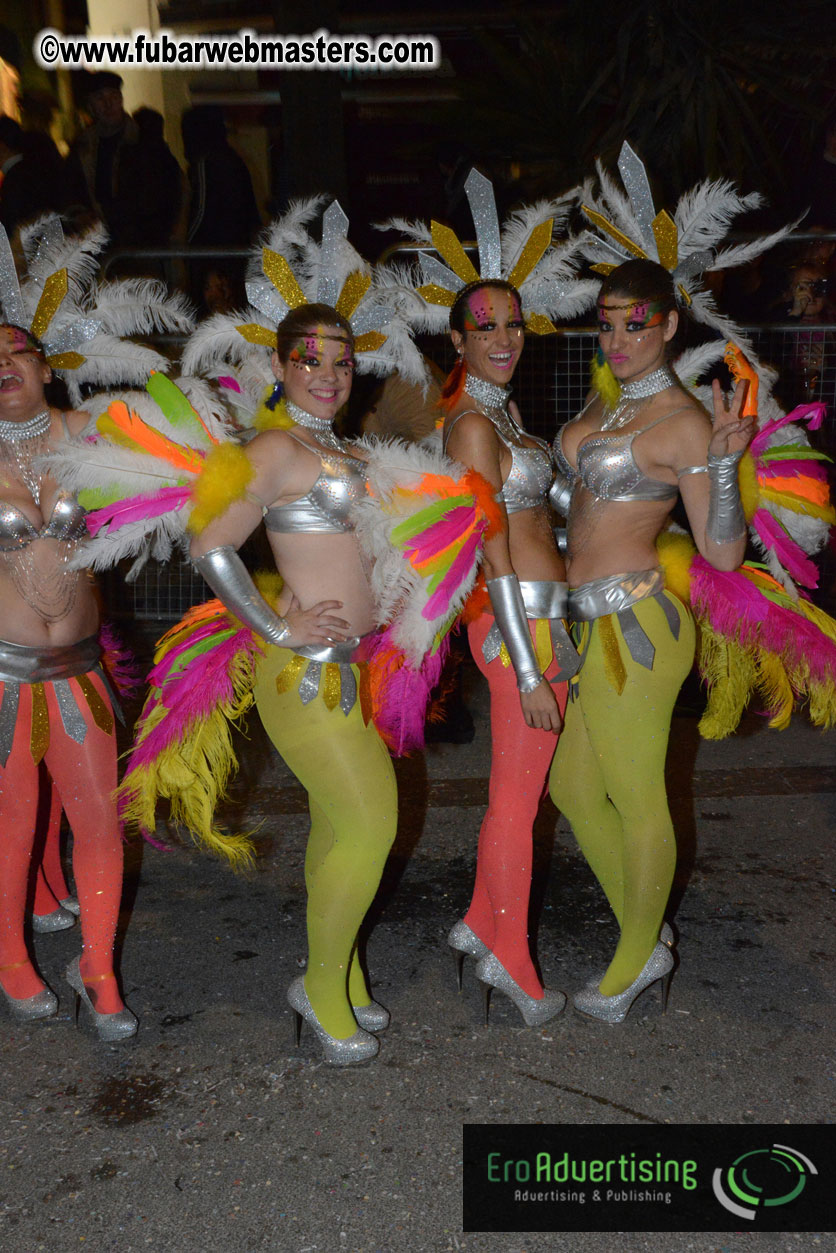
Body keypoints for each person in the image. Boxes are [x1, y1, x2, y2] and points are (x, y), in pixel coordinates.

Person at [188, 304, 399, 1065]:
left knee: (338, 828)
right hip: (306, 673)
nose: (328, 375)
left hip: (359, 669)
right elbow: (209, 544)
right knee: (372, 825)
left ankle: (341, 976)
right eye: (310, 360)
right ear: (279, 367)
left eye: (342, 361)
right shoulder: (276, 448)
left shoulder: (349, 450)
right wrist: (278, 628)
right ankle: (318, 988)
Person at [548, 258, 752, 1022]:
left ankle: (633, 960)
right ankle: (648, 929)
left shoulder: (683, 421)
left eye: (636, 325)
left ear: (668, 325)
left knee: (637, 797)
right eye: (606, 324)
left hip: (636, 627)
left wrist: (723, 466)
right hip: (583, 621)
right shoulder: (607, 402)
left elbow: (722, 553)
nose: (618, 339)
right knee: (572, 788)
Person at [442, 278, 577, 1027]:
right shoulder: (472, 424)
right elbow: (492, 554)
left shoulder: (501, 411)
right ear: (457, 340)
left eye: (514, 324)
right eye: (485, 326)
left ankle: (477, 921)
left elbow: (537, 516)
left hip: (538, 615)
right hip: (514, 624)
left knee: (517, 793)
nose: (504, 339)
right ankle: (512, 962)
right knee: (517, 803)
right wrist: (528, 668)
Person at [0, 323, 136, 1040]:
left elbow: (182, 485)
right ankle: (10, 957)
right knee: (12, 826)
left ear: (46, 367)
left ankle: (98, 968)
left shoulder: (91, 434)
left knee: (100, 822)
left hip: (79, 671)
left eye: (17, 350)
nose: (3, 363)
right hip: (3, 677)